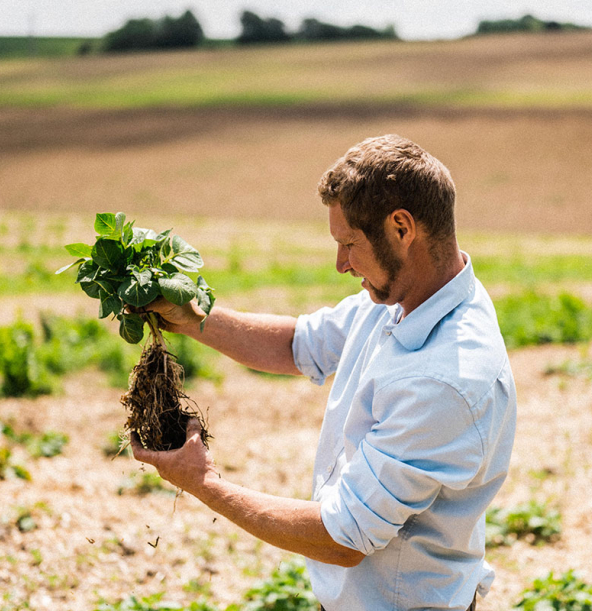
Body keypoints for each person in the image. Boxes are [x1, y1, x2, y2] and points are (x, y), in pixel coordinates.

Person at [132, 134, 517, 610]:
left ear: (402, 228)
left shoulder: (445, 380)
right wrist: (192, 317)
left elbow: (344, 539)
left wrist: (203, 482)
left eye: (349, 243)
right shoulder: (405, 298)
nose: (340, 263)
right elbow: (300, 344)